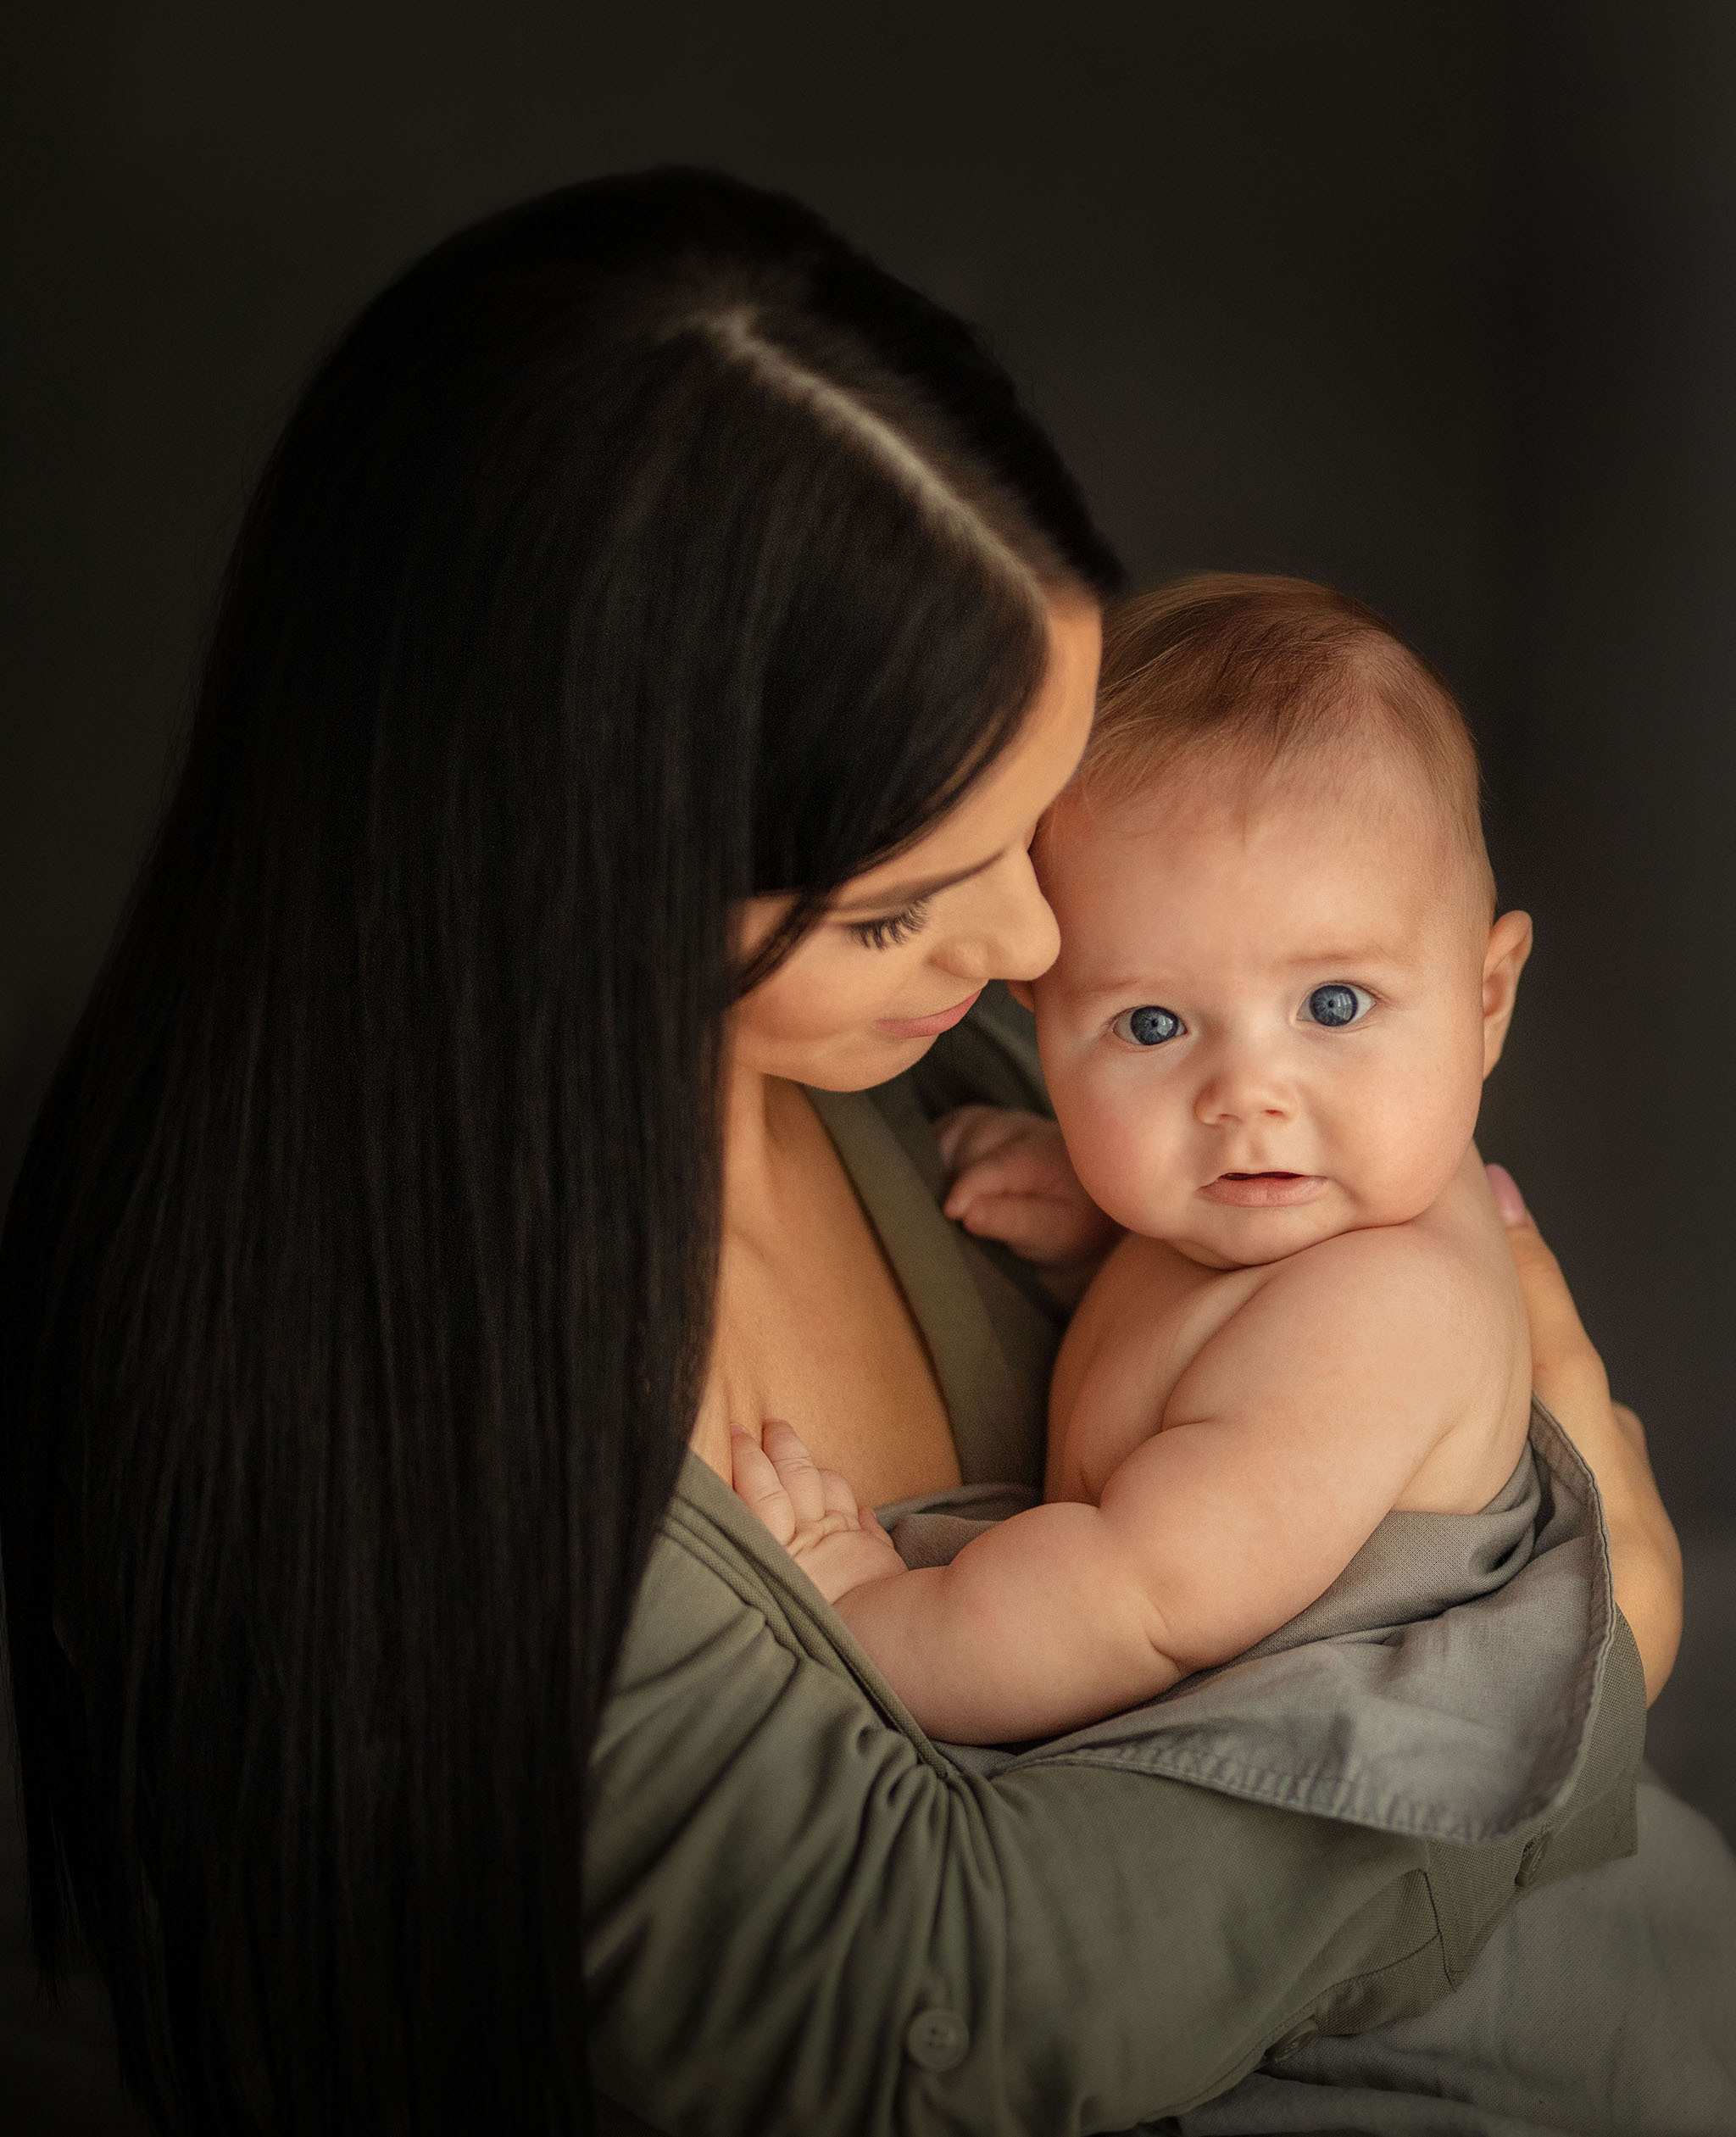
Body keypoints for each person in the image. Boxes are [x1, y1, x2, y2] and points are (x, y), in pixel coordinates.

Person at [0, 170, 1727, 2137]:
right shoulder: (374, 1409)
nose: (1035, 951)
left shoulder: (958, 1071)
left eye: (1035, 823)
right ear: (577, 893)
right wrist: (1578, 1667)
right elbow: (915, 2021)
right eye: (908, 905)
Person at [725, 571, 1681, 1761]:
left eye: (1334, 1002)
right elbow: (1206, 1378)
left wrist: (877, 1612)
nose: (1245, 1097)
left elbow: (1142, 1601)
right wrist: (1104, 1239)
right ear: (1041, 1015)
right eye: (1153, 1027)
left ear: (1486, 1001)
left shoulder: (1386, 1313)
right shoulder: (1273, 1231)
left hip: (1402, 1891)